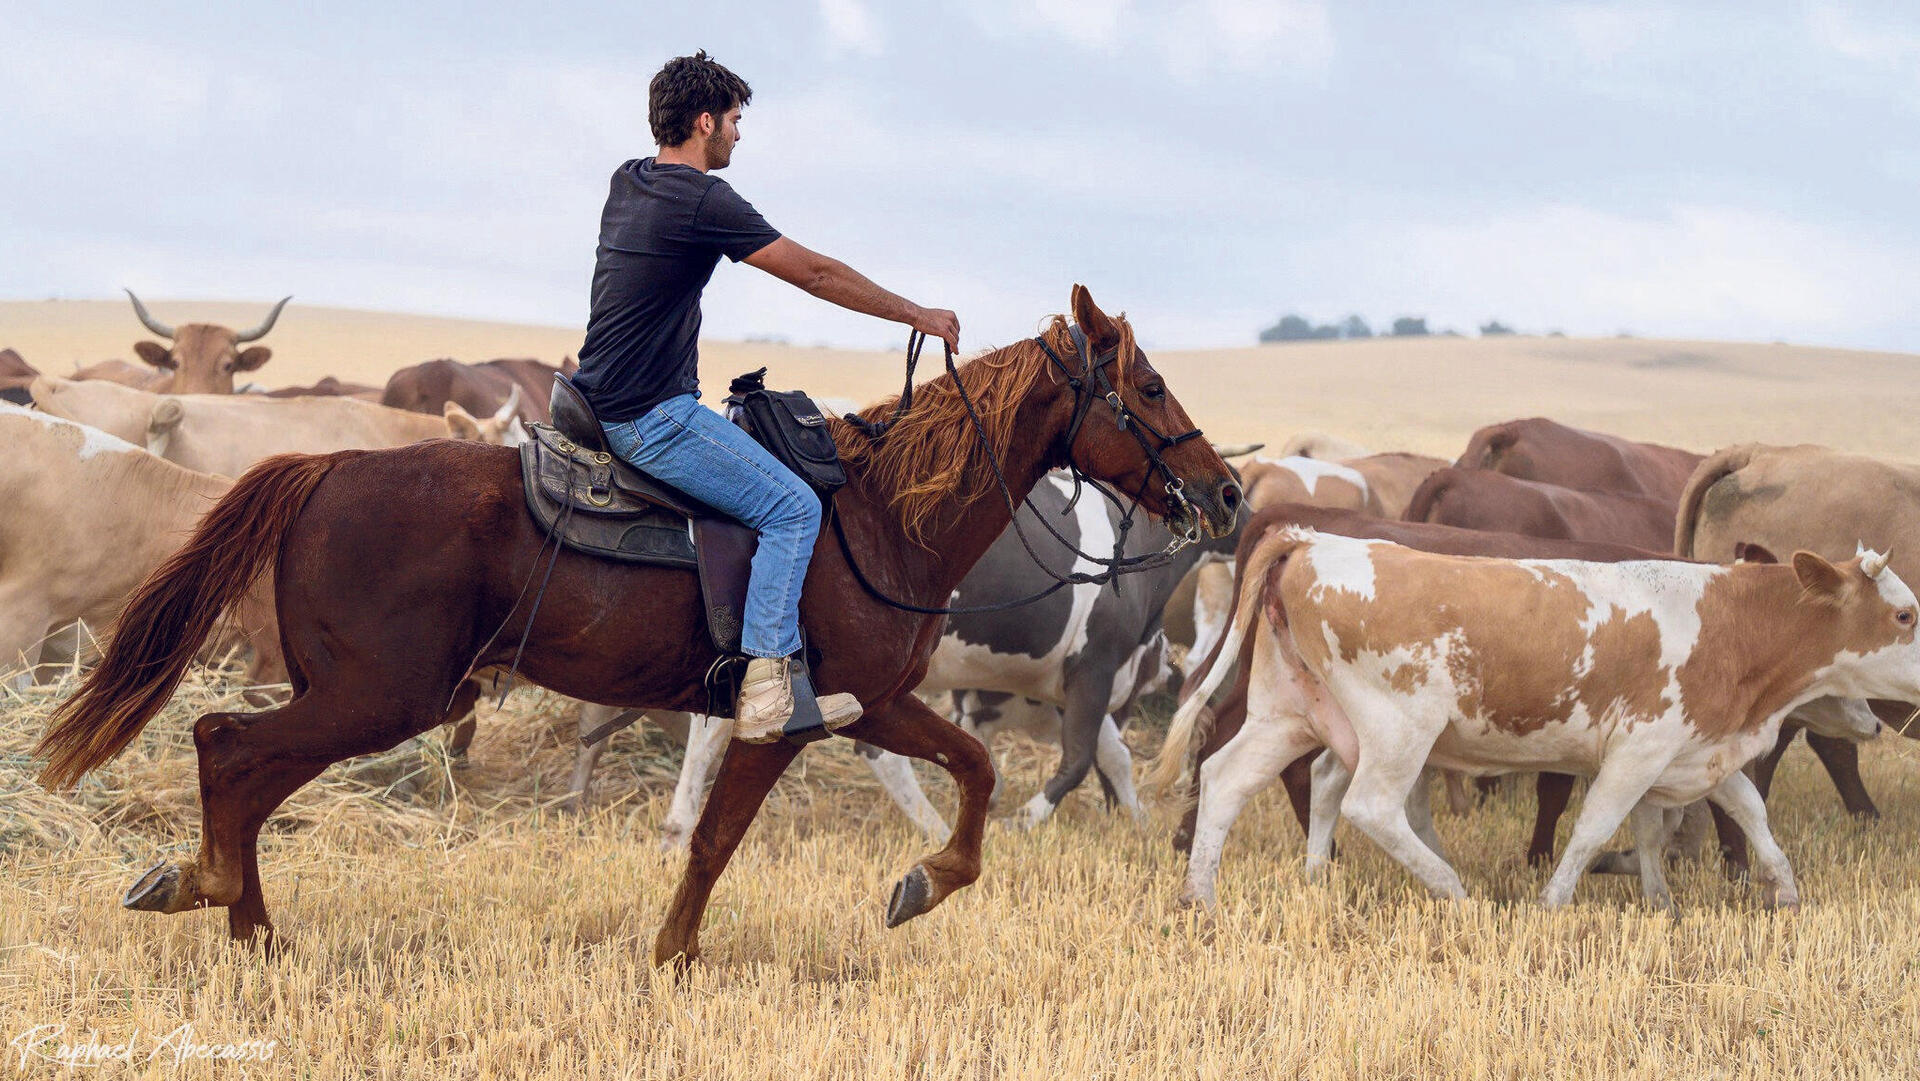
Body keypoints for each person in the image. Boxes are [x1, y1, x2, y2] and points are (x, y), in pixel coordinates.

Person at [572, 51, 961, 743]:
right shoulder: (703, 200)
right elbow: (813, 272)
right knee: (792, 505)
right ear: (704, 122)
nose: (738, 135)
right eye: (733, 121)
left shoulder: (628, 180)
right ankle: (766, 684)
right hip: (649, 417)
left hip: (592, 397)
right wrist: (916, 315)